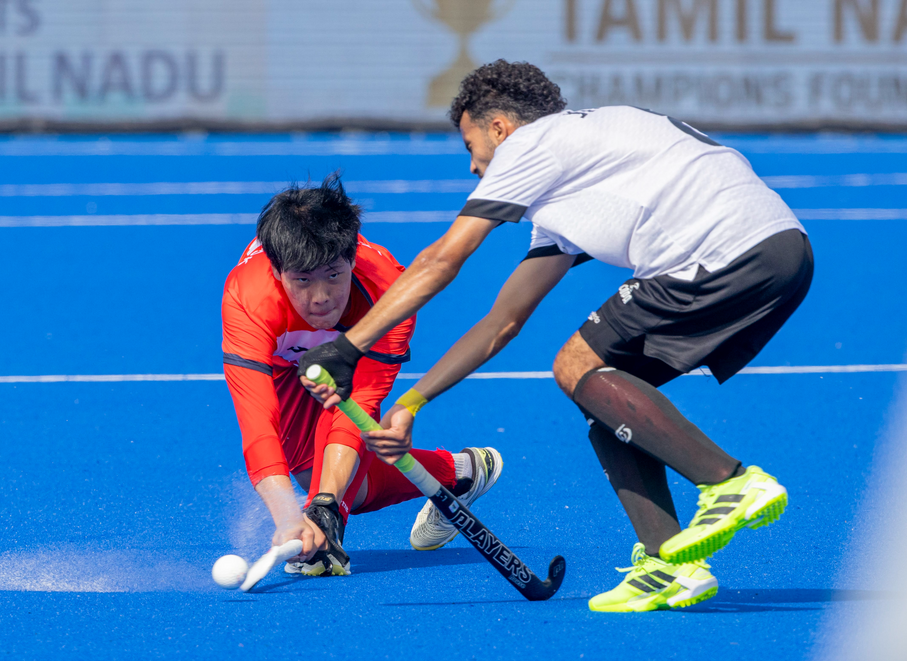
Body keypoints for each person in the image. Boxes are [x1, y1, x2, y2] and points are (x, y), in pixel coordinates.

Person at [297, 62, 813, 610]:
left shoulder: (530, 146)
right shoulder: (574, 165)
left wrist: (348, 347)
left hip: (717, 251)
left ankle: (728, 482)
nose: (473, 166)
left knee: (574, 365)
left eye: (471, 146)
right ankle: (669, 566)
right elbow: (503, 321)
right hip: (782, 252)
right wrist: (411, 403)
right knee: (604, 393)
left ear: (500, 128)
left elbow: (443, 259)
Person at [222, 173, 502, 577]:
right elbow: (257, 423)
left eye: (334, 275)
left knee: (332, 482)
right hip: (285, 360)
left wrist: (325, 507)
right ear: (277, 270)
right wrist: (287, 516)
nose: (321, 297)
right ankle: (459, 472)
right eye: (302, 280)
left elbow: (357, 407)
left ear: (352, 260)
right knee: (317, 474)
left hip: (352, 357)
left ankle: (336, 510)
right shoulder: (247, 300)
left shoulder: (390, 294)